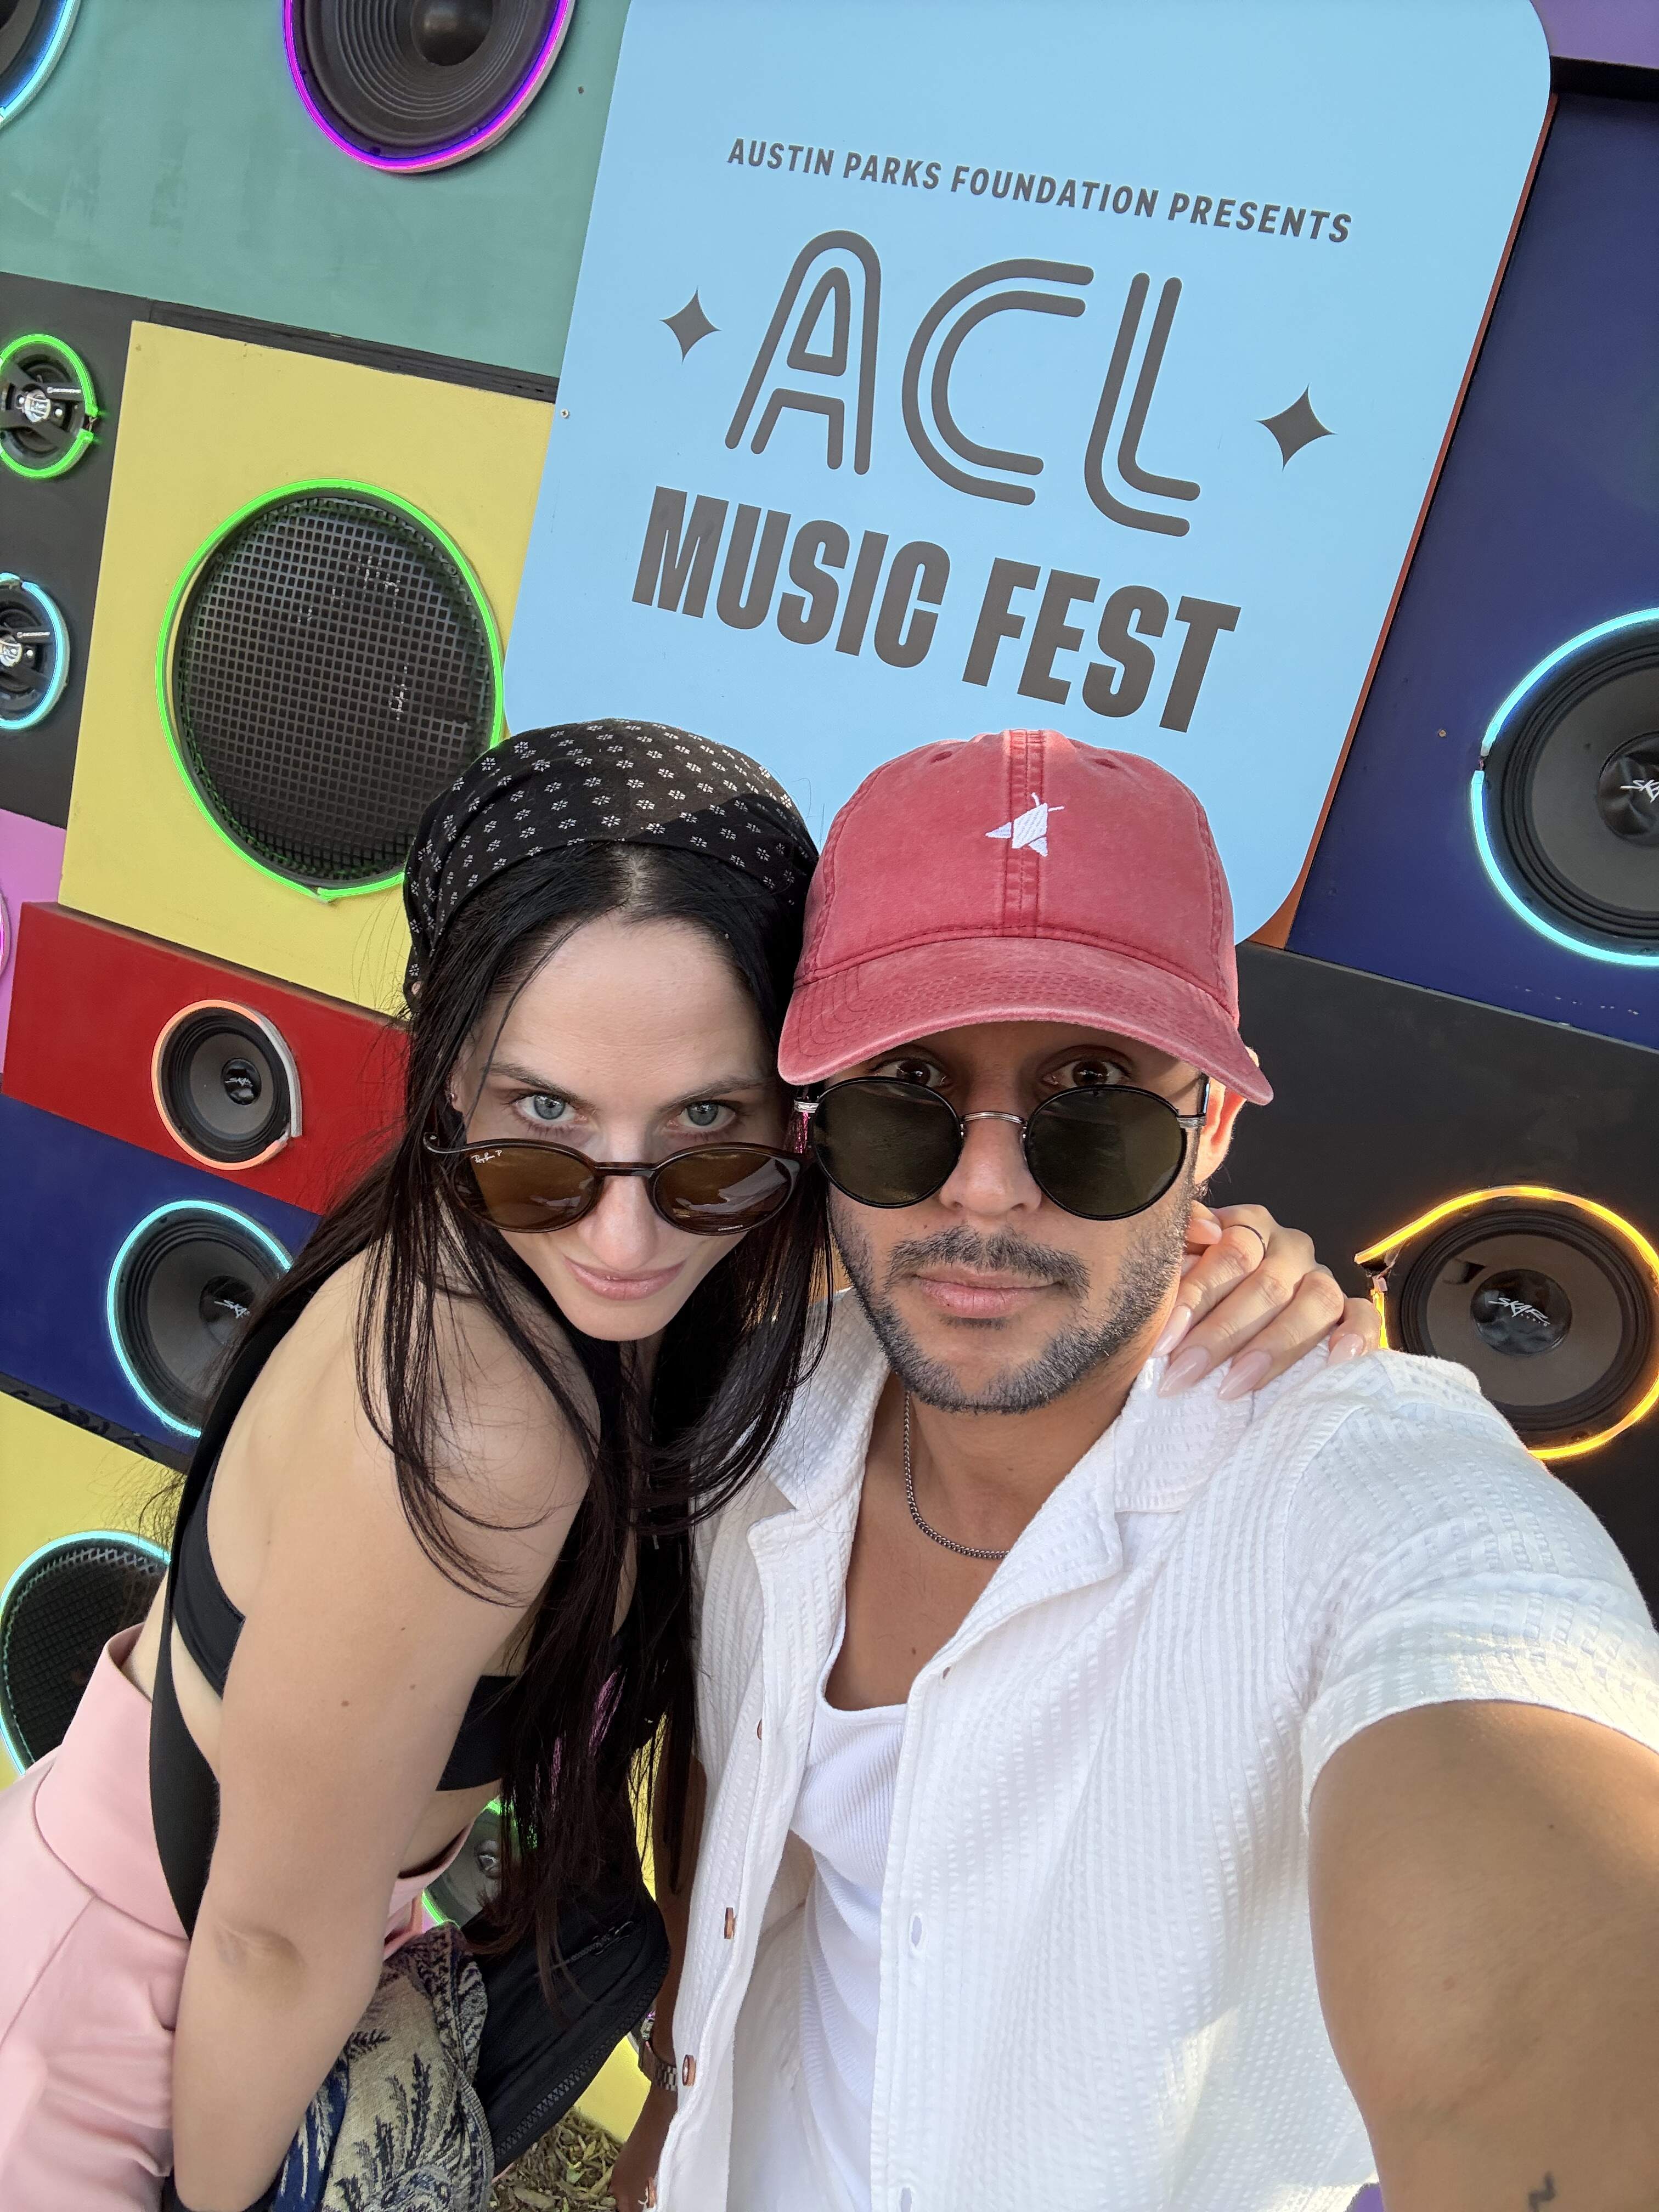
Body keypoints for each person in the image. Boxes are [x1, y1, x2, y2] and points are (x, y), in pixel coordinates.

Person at [0, 722, 1362, 2212]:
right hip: (128, 2032)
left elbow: (972, 1255)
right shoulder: (482, 1418)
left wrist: (1213, 1253)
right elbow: (267, 1943)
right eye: (543, 1131)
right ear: (447, 1089)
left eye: (709, 1131)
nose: (627, 1238)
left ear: (804, 1111)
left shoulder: (696, 1270)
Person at [615, 727, 1659, 2212]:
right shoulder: (762, 1427)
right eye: (905, 1093)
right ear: (817, 1128)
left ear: (1212, 1128)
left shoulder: (1361, 1494)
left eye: (1092, 1102)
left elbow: (1540, 1988)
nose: (985, 1187)